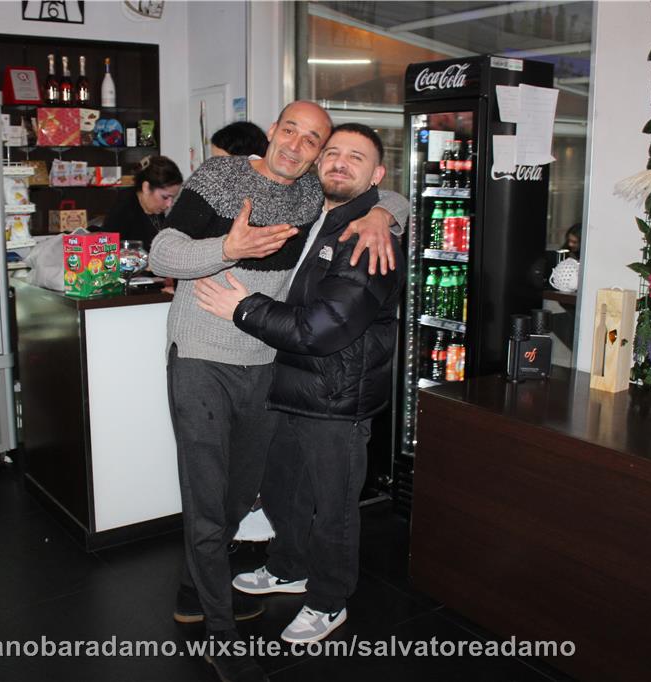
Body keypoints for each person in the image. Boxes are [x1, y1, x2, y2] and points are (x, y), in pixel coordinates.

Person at [149, 100, 407, 682]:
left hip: (265, 361)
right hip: (201, 357)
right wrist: (227, 249)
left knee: (240, 498)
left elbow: (383, 193)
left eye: (313, 140)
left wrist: (381, 216)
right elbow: (161, 253)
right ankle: (220, 634)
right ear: (272, 131)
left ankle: (194, 590)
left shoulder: (315, 194)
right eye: (291, 130)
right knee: (208, 500)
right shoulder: (220, 175)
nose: (297, 145)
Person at [100, 155, 183, 250]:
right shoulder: (124, 208)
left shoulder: (153, 208)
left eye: (173, 198)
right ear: (146, 187)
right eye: (165, 197)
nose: (169, 204)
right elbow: (107, 250)